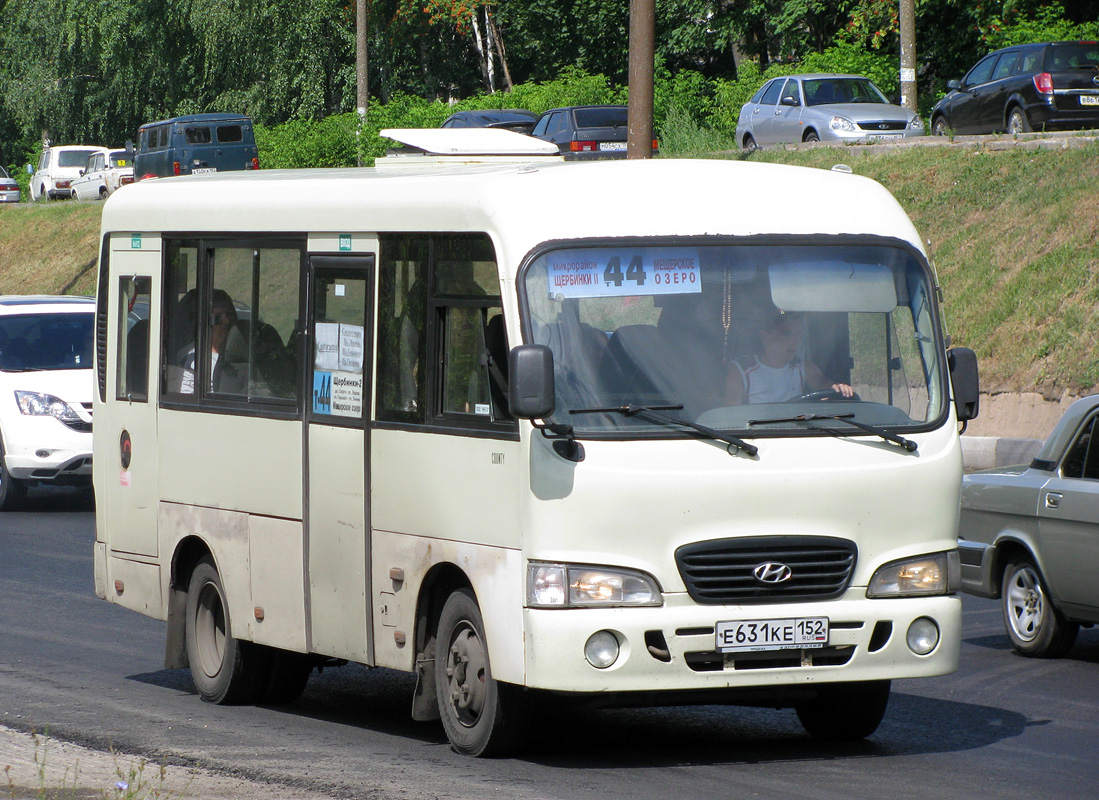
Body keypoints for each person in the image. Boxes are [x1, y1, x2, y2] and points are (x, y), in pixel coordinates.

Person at [725, 309, 853, 405]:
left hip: (794, 433)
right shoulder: (741, 369)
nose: (795, 341)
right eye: (787, 333)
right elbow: (731, 414)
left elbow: (822, 383)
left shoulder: (803, 367)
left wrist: (837, 388)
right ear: (765, 336)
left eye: (798, 335)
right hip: (754, 435)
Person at [179, 289, 240, 394]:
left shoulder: (241, 354)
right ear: (204, 321)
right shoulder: (192, 359)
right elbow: (186, 400)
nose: (226, 321)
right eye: (218, 317)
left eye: (229, 315)